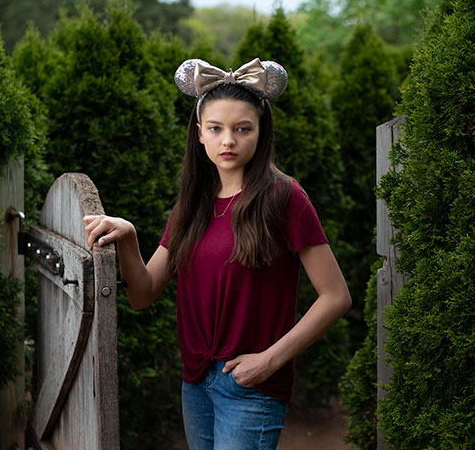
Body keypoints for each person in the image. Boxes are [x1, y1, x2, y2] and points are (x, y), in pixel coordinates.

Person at [83, 58, 351, 450]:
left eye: (243, 129)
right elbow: (143, 294)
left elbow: (336, 297)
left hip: (252, 387)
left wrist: (270, 360)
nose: (228, 141)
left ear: (261, 133)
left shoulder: (284, 198)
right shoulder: (192, 206)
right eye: (216, 129)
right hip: (196, 383)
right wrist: (129, 237)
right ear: (200, 134)